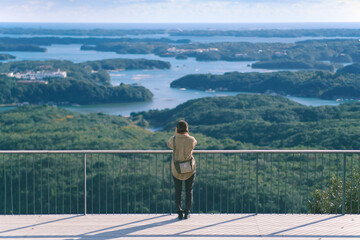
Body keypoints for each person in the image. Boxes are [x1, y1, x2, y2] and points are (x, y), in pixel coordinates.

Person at [167, 120, 197, 220]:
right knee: (189, 191)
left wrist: (176, 134)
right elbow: (194, 144)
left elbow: (169, 144)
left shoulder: (173, 139)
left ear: (177, 129)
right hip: (189, 168)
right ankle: (187, 212)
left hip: (176, 169)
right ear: (187, 129)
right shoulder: (191, 139)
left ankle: (179, 211)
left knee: (178, 191)